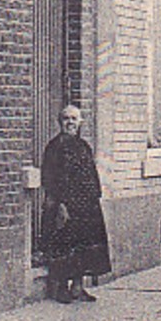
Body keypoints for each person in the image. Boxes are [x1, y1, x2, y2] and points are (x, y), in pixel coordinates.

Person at [40, 105, 112, 303]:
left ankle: (78, 287)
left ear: (80, 122)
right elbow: (50, 178)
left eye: (74, 119)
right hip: (65, 205)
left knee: (84, 245)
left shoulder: (83, 146)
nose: (70, 123)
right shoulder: (54, 147)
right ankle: (62, 288)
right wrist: (60, 204)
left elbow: (90, 174)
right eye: (66, 119)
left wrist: (95, 199)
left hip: (85, 206)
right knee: (65, 245)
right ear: (59, 122)